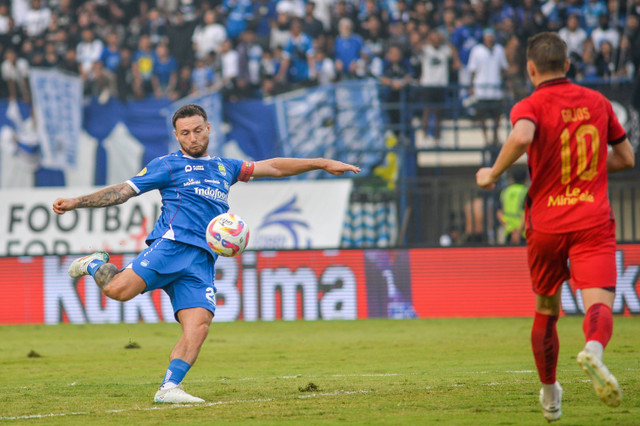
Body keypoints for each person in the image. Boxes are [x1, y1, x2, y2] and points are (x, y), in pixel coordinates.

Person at [52, 104, 360, 404]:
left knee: (198, 326)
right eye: (185, 133)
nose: (193, 138)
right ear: (177, 136)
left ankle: (169, 387)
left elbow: (275, 166)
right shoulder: (167, 165)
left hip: (202, 261)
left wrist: (320, 163)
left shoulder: (225, 167)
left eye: (198, 130)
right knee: (117, 290)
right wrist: (77, 202)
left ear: (208, 129)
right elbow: (122, 192)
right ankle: (93, 263)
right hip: (171, 247)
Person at [476, 32, 634, 422]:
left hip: (546, 223)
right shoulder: (597, 102)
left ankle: (550, 392)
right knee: (598, 302)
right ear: (567, 65)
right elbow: (626, 157)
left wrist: (493, 172)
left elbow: (524, 134)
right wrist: (592, 170)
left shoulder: (530, 104)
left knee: (546, 309)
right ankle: (594, 350)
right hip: (591, 221)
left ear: (530, 69)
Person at [497, 168, 528, 244]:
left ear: (512, 179)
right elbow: (526, 213)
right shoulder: (526, 192)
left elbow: (499, 213)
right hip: (522, 234)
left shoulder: (505, 192)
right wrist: (518, 232)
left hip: (508, 233)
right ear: (525, 179)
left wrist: (508, 228)